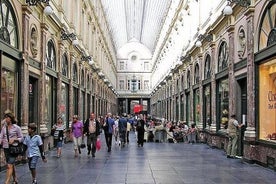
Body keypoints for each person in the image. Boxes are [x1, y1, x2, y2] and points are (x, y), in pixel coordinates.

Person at [0, 112, 24, 184]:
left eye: (7, 117)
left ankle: (6, 182)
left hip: (14, 148)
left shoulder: (16, 127)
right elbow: (1, 137)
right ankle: (15, 179)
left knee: (9, 165)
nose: (6, 119)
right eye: (5, 117)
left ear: (10, 119)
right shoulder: (4, 128)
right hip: (6, 148)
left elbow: (22, 138)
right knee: (11, 164)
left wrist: (15, 140)